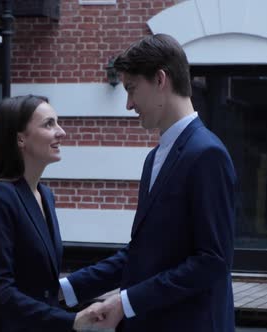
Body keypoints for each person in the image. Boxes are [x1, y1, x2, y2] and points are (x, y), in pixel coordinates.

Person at [59, 34, 238, 332]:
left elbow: (212, 261)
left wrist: (124, 303)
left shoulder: (208, 154)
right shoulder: (155, 157)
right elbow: (142, 252)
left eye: (131, 89)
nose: (129, 104)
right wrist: (67, 288)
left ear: (160, 79)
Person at [0, 95, 102, 332]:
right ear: (21, 138)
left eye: (57, 122)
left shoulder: (45, 195)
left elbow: (42, 286)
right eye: (49, 124)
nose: (61, 132)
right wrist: (69, 321)